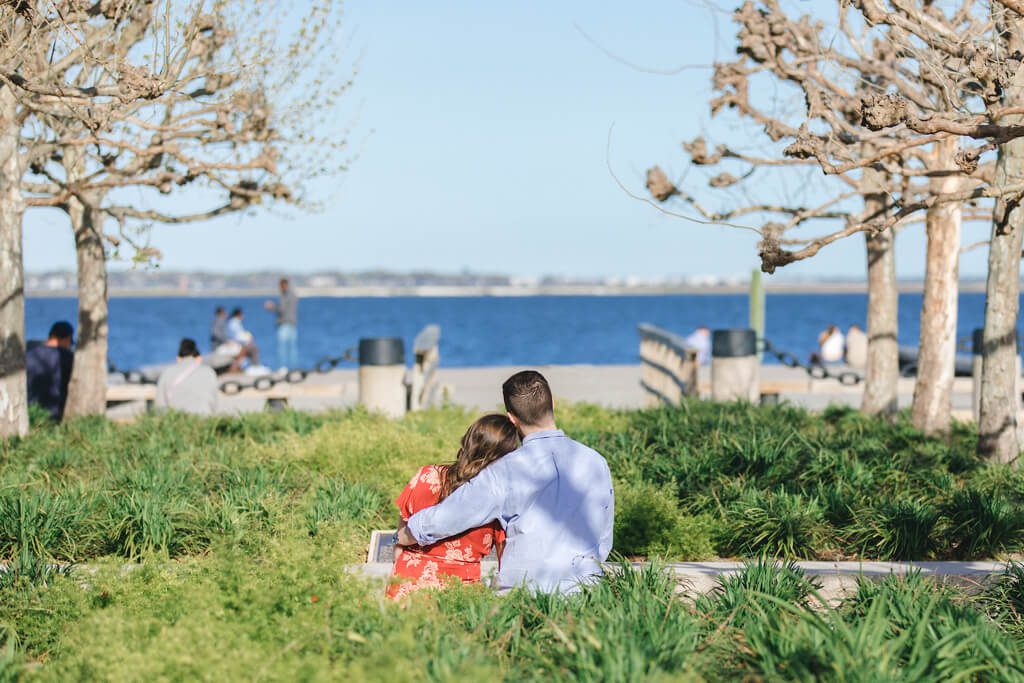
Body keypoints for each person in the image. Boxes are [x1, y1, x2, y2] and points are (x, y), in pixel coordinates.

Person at [398, 370, 614, 594]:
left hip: (524, 595)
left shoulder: (505, 471)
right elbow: (604, 537)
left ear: (512, 418)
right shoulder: (596, 462)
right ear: (553, 404)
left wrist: (403, 535)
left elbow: (448, 517)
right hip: (585, 591)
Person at [387, 414, 518, 600]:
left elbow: (400, 538)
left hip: (407, 584)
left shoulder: (428, 475)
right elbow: (506, 565)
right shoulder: (497, 498)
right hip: (459, 593)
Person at [155, 338, 219, 415]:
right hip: (204, 420)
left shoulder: (167, 372)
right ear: (199, 358)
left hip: (175, 422)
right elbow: (215, 404)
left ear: (178, 359)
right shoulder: (209, 372)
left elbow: (160, 407)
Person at [25, 321, 75, 421]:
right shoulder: (68, 357)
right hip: (55, 412)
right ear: (68, 338)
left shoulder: (29, 354)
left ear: (51, 335)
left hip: (30, 410)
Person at [264, 278, 298, 370]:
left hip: (284, 324)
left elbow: (282, 309)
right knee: (292, 349)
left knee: (282, 349)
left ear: (283, 285)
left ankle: (283, 368)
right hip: (292, 323)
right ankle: (292, 368)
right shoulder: (294, 295)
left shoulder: (284, 295)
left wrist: (272, 306)